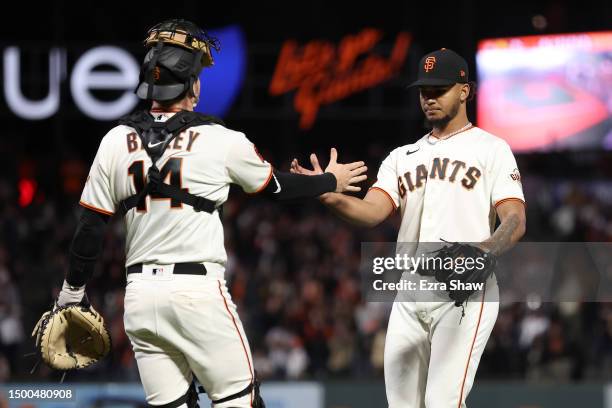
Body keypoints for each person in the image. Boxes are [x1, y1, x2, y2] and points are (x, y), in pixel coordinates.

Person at [51, 19, 367, 408]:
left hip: (139, 300)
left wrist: (70, 295)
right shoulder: (221, 140)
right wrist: (329, 181)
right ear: (191, 85)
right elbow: (278, 189)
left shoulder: (115, 141)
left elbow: (90, 226)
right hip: (196, 293)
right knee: (239, 401)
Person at [291, 48, 526, 407]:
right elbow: (371, 211)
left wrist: (483, 251)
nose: (429, 98)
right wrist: (323, 192)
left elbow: (514, 219)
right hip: (410, 290)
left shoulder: (492, 149)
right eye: (423, 91)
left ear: (464, 91)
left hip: (464, 287)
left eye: (439, 89)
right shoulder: (402, 157)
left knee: (441, 402)